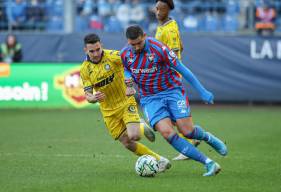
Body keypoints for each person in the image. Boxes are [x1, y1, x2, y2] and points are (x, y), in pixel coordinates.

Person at [120, 25, 228, 176]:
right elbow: (125, 69)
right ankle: (208, 163)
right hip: (150, 98)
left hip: (172, 91)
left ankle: (207, 137)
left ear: (144, 36)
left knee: (187, 131)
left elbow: (182, 68)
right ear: (128, 41)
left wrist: (202, 90)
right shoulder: (125, 53)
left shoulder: (159, 48)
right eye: (133, 44)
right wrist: (128, 80)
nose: (136, 47)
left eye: (139, 43)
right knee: (167, 133)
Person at [80, 33, 171, 173]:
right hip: (108, 110)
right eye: (92, 51)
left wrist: (131, 84)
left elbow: (132, 65)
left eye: (98, 49)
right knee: (127, 143)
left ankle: (140, 125)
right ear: (85, 50)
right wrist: (93, 97)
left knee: (135, 136)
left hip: (125, 101)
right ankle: (160, 160)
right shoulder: (85, 70)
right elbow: (88, 96)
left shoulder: (114, 56)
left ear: (101, 45)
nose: (96, 53)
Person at [154, 0, 198, 160]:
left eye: (162, 9)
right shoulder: (164, 25)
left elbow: (174, 54)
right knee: (170, 115)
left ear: (168, 11)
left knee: (170, 114)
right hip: (163, 76)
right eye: (157, 8)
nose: (158, 11)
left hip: (170, 78)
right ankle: (191, 139)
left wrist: (170, 74)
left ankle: (190, 141)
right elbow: (182, 46)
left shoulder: (170, 29)